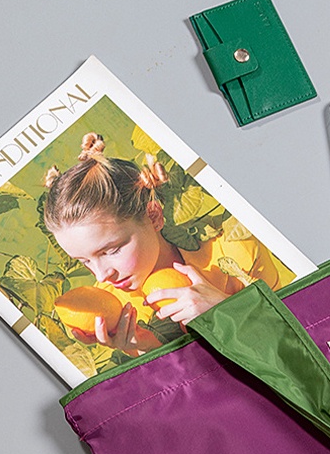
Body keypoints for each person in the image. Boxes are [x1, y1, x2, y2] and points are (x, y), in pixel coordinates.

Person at [43, 132, 281, 356]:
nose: (102, 276)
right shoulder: (115, 313)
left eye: (112, 250)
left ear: (153, 215)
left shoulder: (234, 252)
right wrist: (148, 348)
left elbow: (293, 333)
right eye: (84, 261)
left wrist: (226, 312)